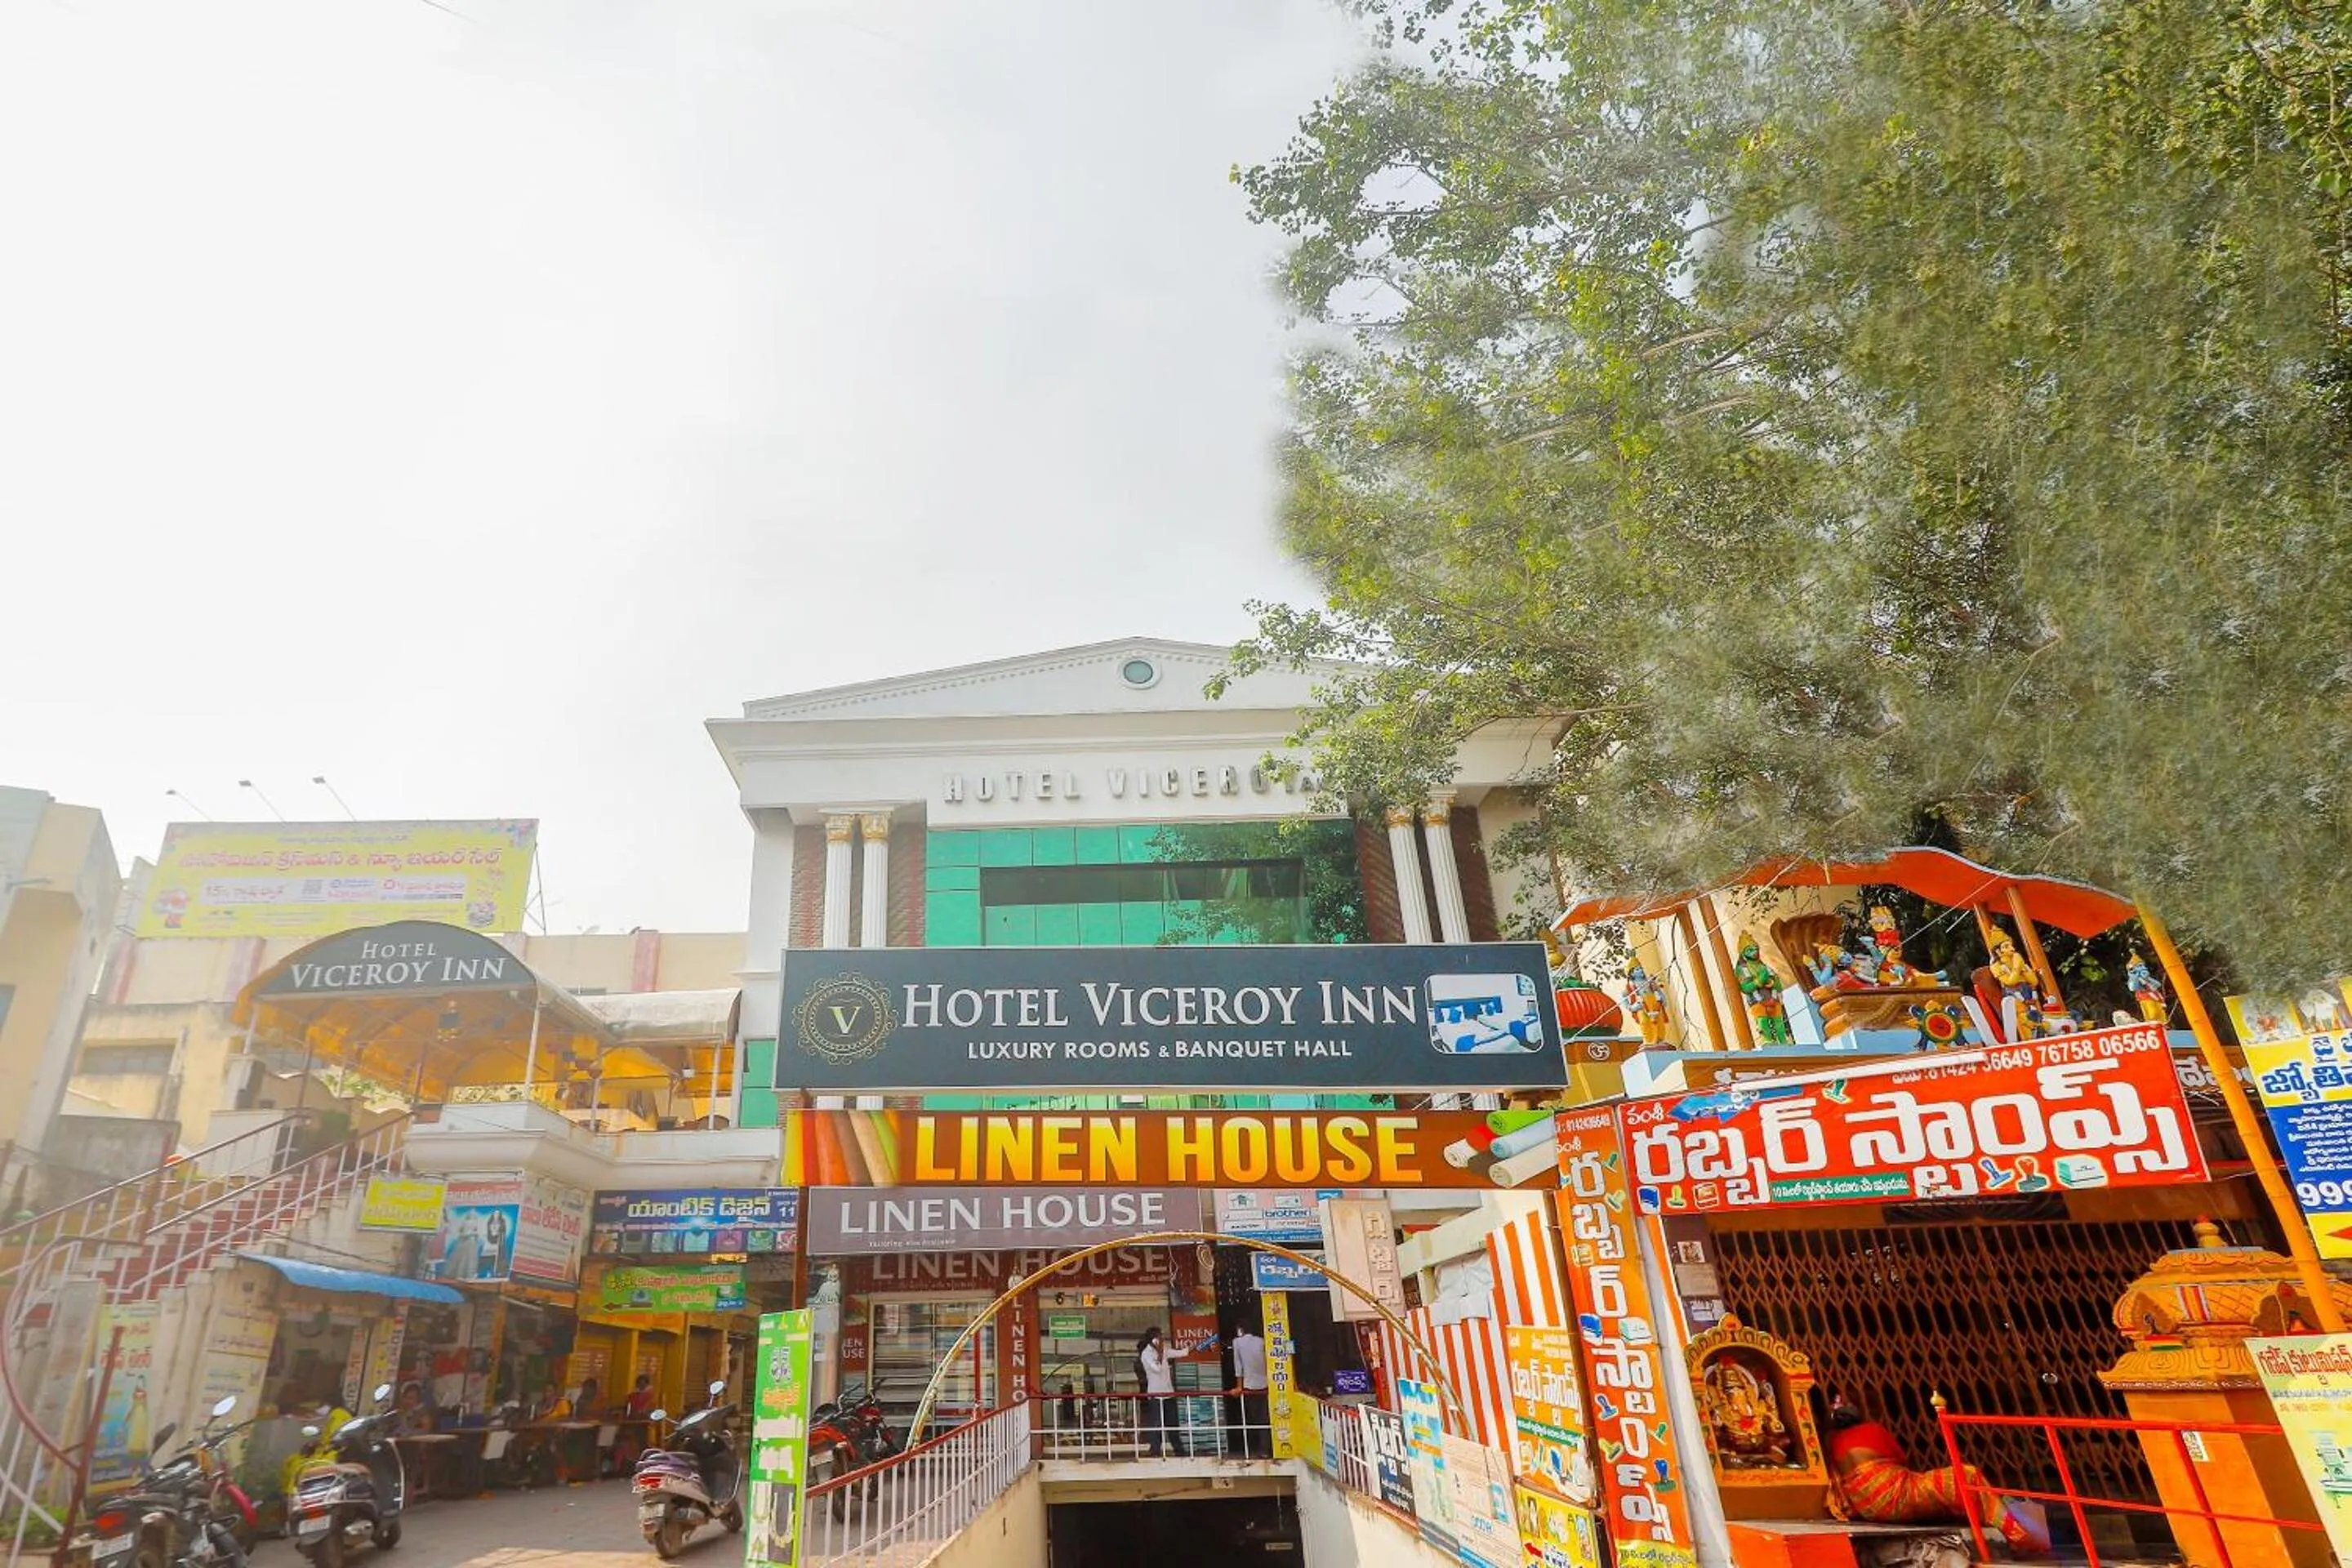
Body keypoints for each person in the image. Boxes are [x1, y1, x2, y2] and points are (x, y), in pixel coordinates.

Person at [1827, 1398, 2050, 1556]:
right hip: (1894, 1493)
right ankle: (2019, 1537)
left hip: (1866, 1506)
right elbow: (1901, 1459)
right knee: (1967, 1475)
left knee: (1948, 1495)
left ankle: (1992, 1523)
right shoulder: (1872, 1429)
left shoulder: (1832, 1442)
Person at [1230, 1320, 1269, 1458]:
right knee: (1264, 1418)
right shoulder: (1262, 1341)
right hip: (1266, 1385)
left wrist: (1239, 1386)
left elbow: (1238, 1366)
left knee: (1252, 1418)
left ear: (1240, 1330)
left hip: (1249, 1386)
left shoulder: (1237, 1342)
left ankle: (1256, 1448)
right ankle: (1265, 1449)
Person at [1134, 1329, 1174, 1457]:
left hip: (1163, 1393)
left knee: (1166, 1422)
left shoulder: (1152, 1356)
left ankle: (1158, 1448)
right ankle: (1155, 1448)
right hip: (1152, 1394)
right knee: (1155, 1422)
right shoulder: (1144, 1359)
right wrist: (1160, 1353)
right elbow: (1156, 1370)